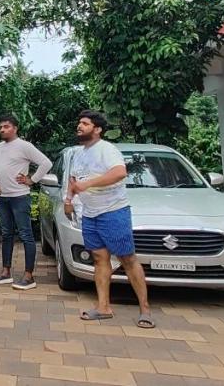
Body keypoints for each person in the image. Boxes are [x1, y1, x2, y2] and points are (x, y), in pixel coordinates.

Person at [66, 110, 154, 328]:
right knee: (99, 258)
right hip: (90, 213)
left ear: (97, 129)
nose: (80, 126)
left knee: (127, 259)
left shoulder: (107, 150)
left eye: (85, 123)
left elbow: (119, 173)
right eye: (79, 122)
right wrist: (69, 199)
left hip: (113, 212)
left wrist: (88, 184)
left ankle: (145, 310)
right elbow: (74, 179)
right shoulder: (78, 153)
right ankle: (103, 307)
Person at [0, 115, 53, 290]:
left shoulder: (24, 146)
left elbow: (46, 163)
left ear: (15, 128)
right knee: (6, 234)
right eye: (0, 127)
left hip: (20, 197)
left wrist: (32, 180)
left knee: (26, 235)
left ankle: (29, 276)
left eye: (6, 126)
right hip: (3, 197)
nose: (2, 129)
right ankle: (5, 272)